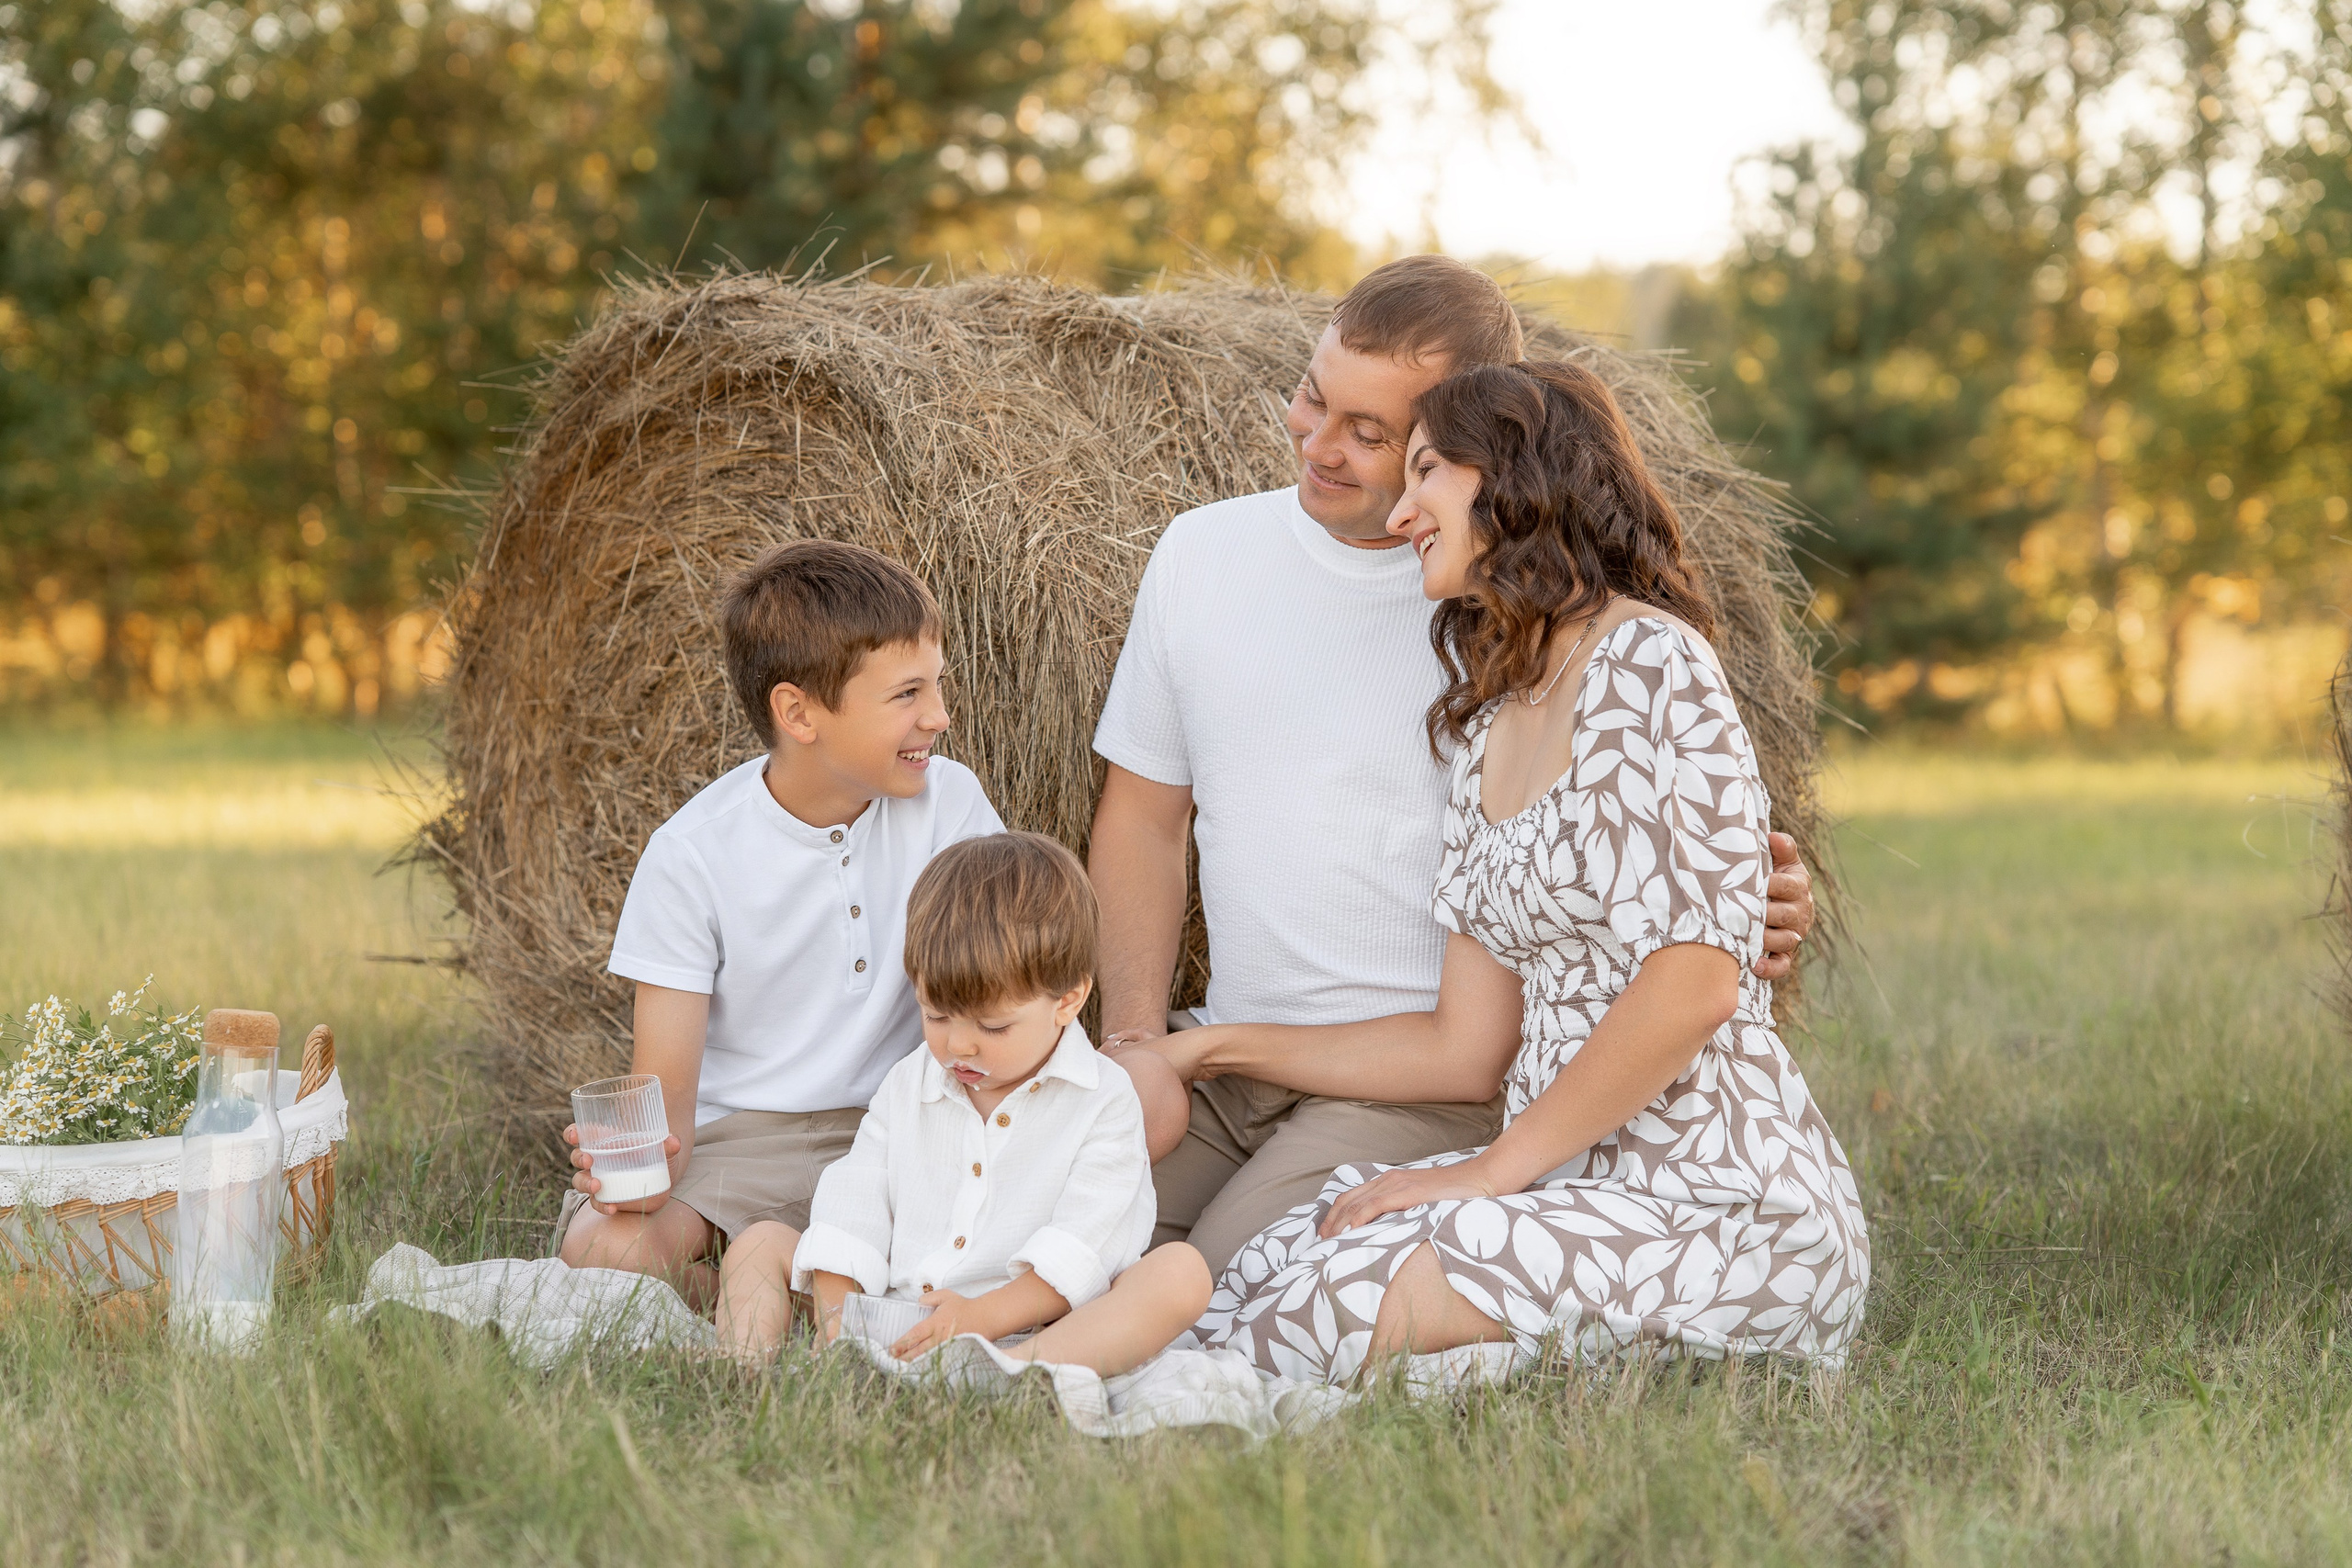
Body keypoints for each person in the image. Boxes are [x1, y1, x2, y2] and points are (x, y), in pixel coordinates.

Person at [1090, 255, 1819, 1273]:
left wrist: (1751, 901)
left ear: (1470, 447)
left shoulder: (1515, 633)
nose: (1318, 445)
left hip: (1427, 1084)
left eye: (1373, 434)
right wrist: (1136, 1050)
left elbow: (1662, 877)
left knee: (1212, 1286)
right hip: (1225, 1059)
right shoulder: (1198, 555)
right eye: (1314, 397)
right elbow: (1143, 820)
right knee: (1051, 1249)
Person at [1181, 359, 1868, 1379]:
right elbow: (1464, 1046)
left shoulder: (1653, 663)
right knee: (1280, 1259)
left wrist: (1489, 1170)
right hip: (1564, 1184)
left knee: (1336, 1303)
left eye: (1425, 473)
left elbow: (1694, 983)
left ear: (1508, 476)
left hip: (1716, 1195)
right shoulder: (1489, 722)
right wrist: (1212, 1047)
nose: (1403, 510)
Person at [713, 831, 1211, 1373]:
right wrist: (840, 1322)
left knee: (1181, 1273)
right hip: (899, 1315)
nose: (959, 1046)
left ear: (1069, 1000)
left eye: (993, 1026)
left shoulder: (1105, 1100)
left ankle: (1010, 1375)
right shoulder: (910, 1083)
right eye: (937, 1016)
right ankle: (752, 1368)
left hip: (1034, 1324)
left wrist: (979, 1318)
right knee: (762, 1242)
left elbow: (1088, 1242)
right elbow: (853, 1201)